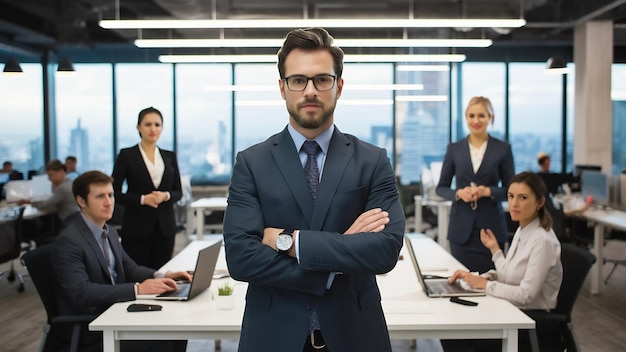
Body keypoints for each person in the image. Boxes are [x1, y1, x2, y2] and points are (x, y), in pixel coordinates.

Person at [222, 27, 405, 352]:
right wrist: (338, 257)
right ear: (282, 88)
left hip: (355, 335)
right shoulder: (252, 163)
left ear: (339, 86)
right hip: (273, 336)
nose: (310, 90)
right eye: (298, 80)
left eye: (322, 79)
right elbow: (241, 259)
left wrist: (290, 242)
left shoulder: (372, 161)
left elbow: (385, 250)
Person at [52, 170, 191, 352]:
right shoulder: (69, 242)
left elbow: (130, 269)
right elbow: (82, 292)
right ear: (81, 201)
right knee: (165, 337)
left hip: (116, 311)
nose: (108, 202)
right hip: (92, 326)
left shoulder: (109, 231)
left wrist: (164, 275)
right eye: (100, 196)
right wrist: (137, 289)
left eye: (110, 195)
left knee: (177, 329)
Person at [443, 171, 563, 351]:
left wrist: (485, 285)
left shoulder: (542, 240)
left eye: (523, 197)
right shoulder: (524, 229)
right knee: (454, 327)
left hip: (531, 323)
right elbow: (508, 274)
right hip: (514, 312)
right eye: (511, 196)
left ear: (540, 202)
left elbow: (526, 295)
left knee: (455, 335)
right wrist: (494, 251)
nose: (514, 203)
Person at [436, 96, 515, 273]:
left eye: (481, 115)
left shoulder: (502, 149)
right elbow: (441, 188)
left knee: (492, 281)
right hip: (461, 229)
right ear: (466, 118)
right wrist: (458, 194)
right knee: (461, 281)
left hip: (492, 228)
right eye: (471, 116)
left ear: (490, 117)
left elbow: (512, 190)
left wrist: (489, 191)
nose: (476, 121)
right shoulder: (454, 149)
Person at [112, 106, 183, 270]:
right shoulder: (127, 155)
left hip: (165, 228)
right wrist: (143, 199)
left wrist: (165, 196)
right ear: (138, 127)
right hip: (137, 226)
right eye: (148, 124)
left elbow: (178, 191)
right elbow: (114, 192)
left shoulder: (169, 156)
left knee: (162, 273)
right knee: (138, 273)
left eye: (157, 125)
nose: (153, 129)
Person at [18, 159, 80, 230]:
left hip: (68, 223)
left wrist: (29, 202)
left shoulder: (62, 188)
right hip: (76, 220)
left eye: (51, 175)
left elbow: (43, 206)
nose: (49, 179)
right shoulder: (71, 182)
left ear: (60, 172)